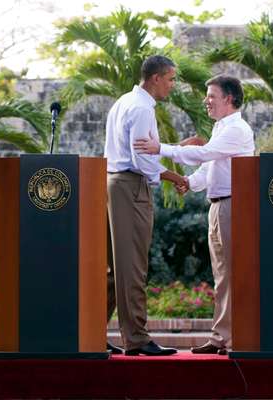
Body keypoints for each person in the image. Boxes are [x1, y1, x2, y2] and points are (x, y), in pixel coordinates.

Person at [134, 75, 255, 354]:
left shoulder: (237, 129)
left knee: (232, 274)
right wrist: (189, 183)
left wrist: (161, 149)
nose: (206, 101)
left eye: (211, 96)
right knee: (223, 275)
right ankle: (221, 338)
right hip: (219, 205)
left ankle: (235, 339)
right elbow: (211, 166)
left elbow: (205, 154)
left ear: (229, 99)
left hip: (233, 206)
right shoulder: (222, 128)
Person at [105, 55, 184, 356]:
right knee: (133, 268)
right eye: (171, 79)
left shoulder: (123, 102)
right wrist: (174, 174)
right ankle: (136, 338)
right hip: (130, 186)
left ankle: (89, 332)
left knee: (115, 271)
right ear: (155, 78)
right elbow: (143, 159)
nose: (172, 86)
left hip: (116, 184)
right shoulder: (140, 108)